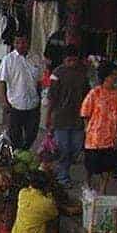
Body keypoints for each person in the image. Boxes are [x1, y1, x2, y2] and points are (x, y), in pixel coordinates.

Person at [46, 46, 89, 187]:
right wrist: (49, 116)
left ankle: (63, 171)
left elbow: (87, 95)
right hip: (60, 118)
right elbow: (52, 97)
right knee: (63, 148)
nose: (71, 63)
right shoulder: (57, 74)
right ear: (64, 60)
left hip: (78, 118)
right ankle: (63, 176)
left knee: (76, 147)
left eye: (74, 60)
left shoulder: (83, 73)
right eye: (69, 60)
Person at [81, 62, 117, 193]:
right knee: (91, 166)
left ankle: (103, 190)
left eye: (116, 75)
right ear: (105, 76)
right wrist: (88, 130)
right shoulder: (94, 92)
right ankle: (87, 184)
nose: (115, 78)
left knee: (107, 166)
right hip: (94, 138)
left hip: (110, 138)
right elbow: (85, 112)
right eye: (112, 75)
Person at [0, 34, 44, 150]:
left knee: (31, 134)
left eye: (23, 42)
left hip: (33, 104)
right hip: (15, 105)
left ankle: (24, 151)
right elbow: (1, 82)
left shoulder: (36, 58)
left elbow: (40, 80)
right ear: (14, 43)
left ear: (28, 43)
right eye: (18, 43)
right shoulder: (8, 60)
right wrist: (4, 102)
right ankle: (16, 156)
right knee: (15, 135)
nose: (21, 45)